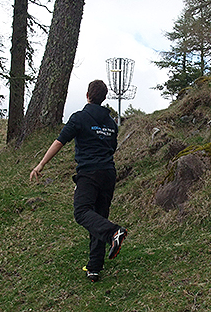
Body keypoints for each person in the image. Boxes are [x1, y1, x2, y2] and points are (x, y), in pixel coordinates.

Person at [30, 80, 127, 282]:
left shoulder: (79, 118)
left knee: (82, 212)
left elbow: (59, 142)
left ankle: (114, 233)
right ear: (104, 98)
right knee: (98, 218)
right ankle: (94, 267)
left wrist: (41, 165)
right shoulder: (111, 123)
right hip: (108, 173)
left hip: (89, 173)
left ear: (87, 95)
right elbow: (112, 147)